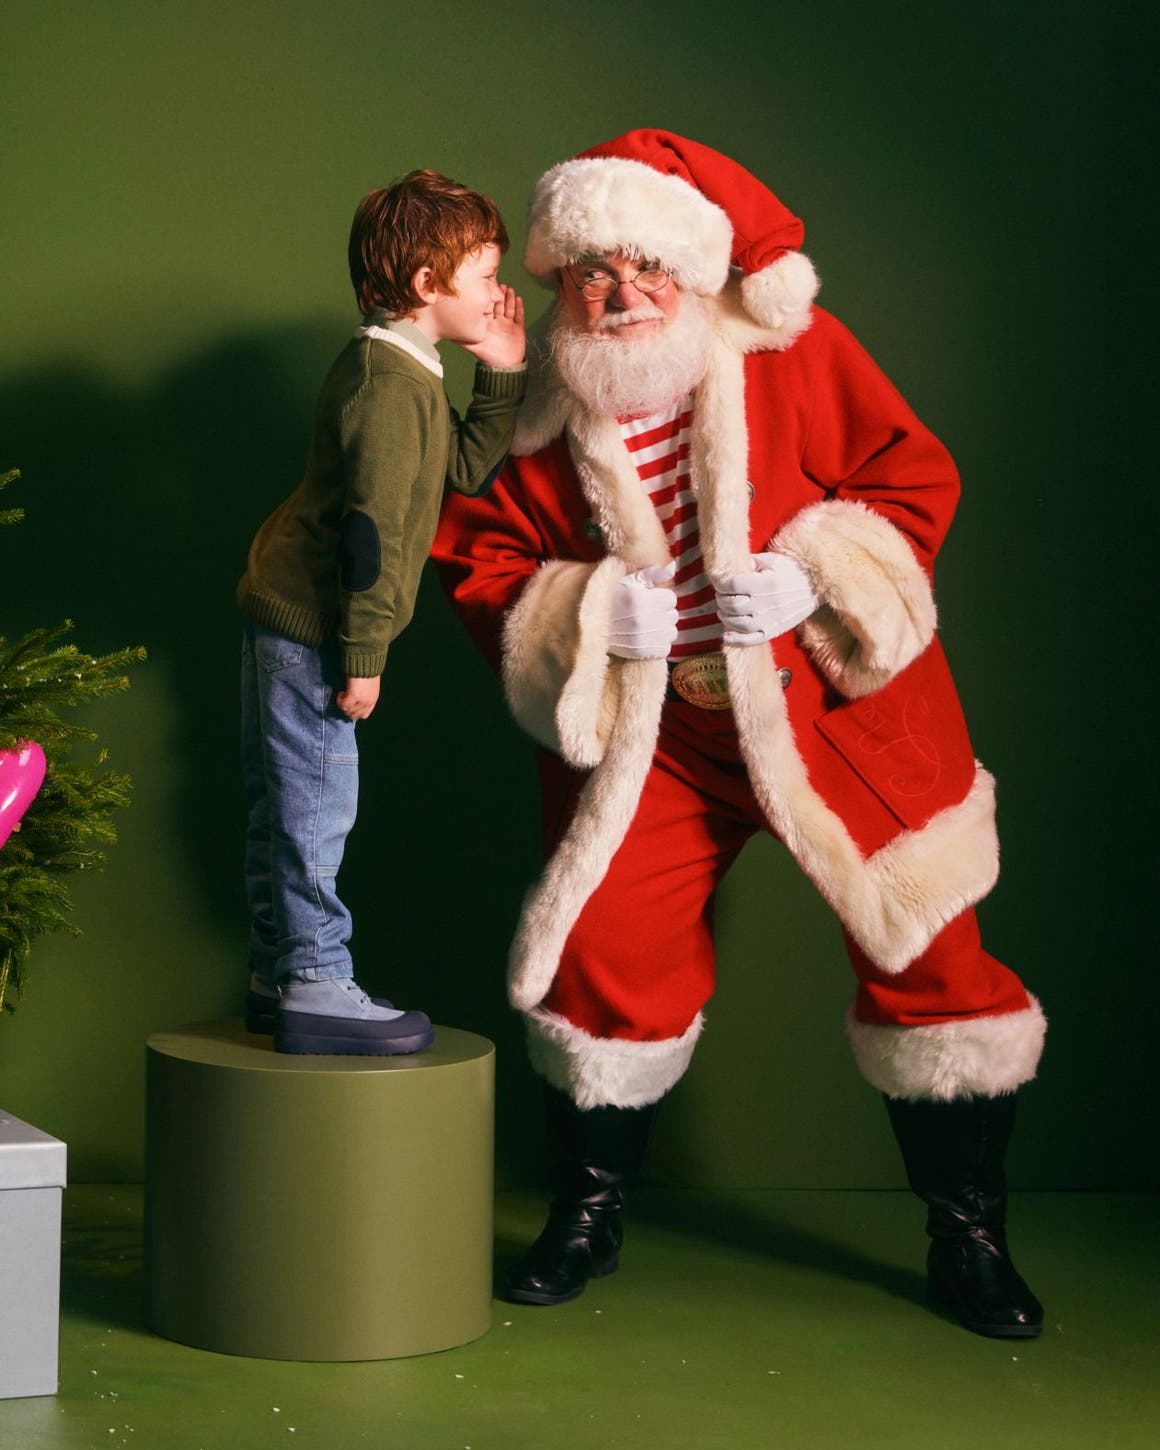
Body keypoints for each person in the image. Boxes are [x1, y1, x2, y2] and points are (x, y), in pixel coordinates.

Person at [434, 130, 1046, 1335]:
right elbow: (481, 558)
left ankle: (966, 1231)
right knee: (603, 957)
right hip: (655, 736)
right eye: (593, 272)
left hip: (834, 716)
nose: (621, 295)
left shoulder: (794, 352)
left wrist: (820, 571)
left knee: (929, 961)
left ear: (695, 268)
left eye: (646, 267)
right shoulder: (537, 406)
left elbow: (910, 475)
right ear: (561, 279)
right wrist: (600, 609)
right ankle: (588, 1206)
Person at [238, 169, 526, 1055]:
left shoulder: (405, 368)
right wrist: (362, 656)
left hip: (298, 616)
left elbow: (462, 471)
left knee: (285, 802)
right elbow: (367, 534)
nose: (499, 293)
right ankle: (316, 979)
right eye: (483, 275)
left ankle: (276, 971)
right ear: (426, 285)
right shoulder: (385, 383)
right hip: (317, 628)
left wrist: (502, 374)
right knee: (314, 805)